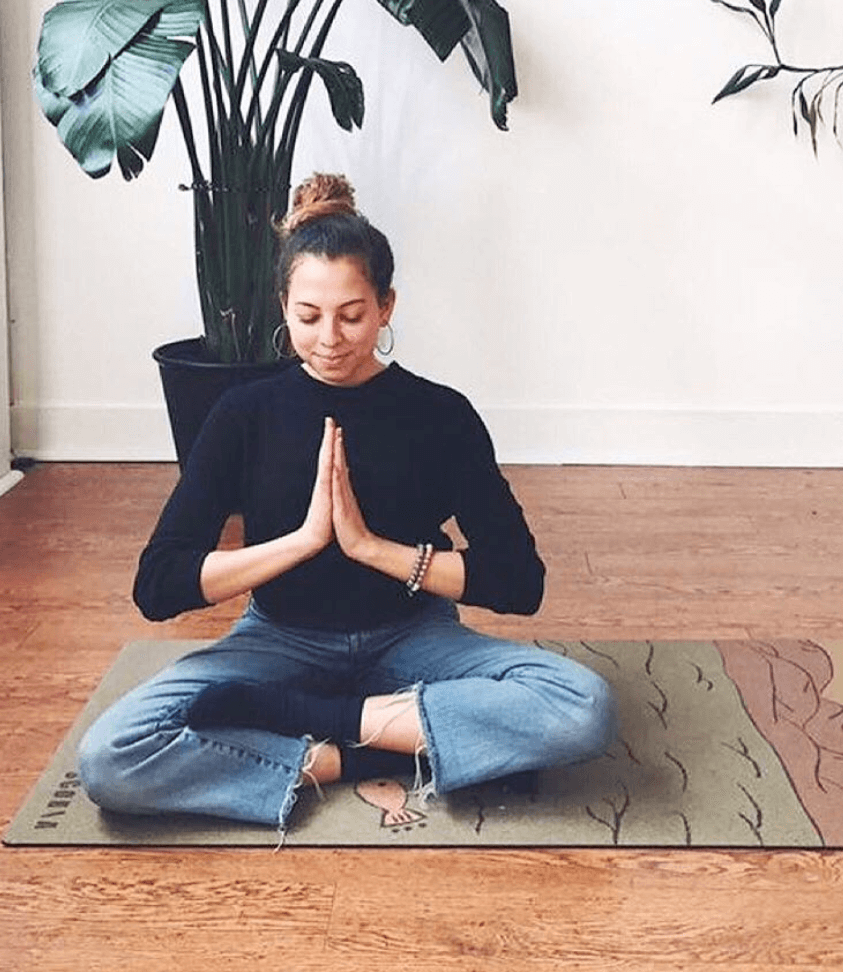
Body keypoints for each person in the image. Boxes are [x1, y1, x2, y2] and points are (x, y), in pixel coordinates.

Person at [78, 173, 615, 833]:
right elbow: (157, 585)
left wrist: (371, 549)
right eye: (308, 317)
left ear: (386, 306)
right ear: (282, 306)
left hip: (415, 639)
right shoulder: (243, 414)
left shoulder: (439, 415)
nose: (329, 337)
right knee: (110, 757)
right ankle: (374, 754)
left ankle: (323, 727)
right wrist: (302, 542)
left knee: (583, 706)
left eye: (352, 315)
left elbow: (518, 581)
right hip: (278, 642)